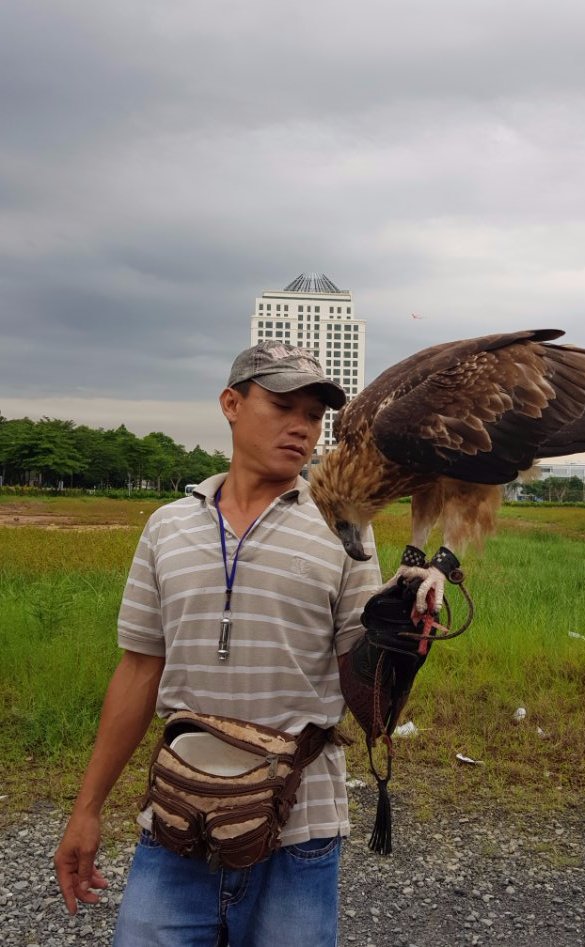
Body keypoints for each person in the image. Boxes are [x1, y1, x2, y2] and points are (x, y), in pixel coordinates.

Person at [54, 340, 433, 947]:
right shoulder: (166, 528)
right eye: (283, 405)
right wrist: (87, 809)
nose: (302, 427)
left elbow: (370, 701)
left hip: (299, 831)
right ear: (232, 404)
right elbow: (138, 670)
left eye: (314, 416)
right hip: (178, 824)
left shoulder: (345, 525)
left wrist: (397, 647)